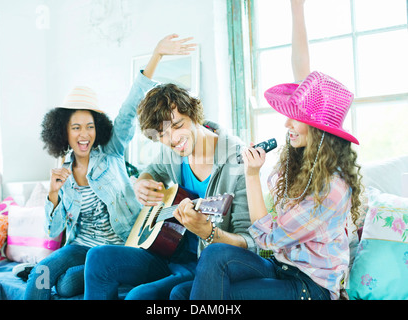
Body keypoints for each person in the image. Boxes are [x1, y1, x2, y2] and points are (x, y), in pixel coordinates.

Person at [188, 0, 363, 300]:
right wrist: (297, 11)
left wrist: (252, 176)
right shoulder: (300, 164)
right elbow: (301, 67)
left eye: (297, 118)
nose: (286, 124)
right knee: (209, 263)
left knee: (219, 293)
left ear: (319, 129)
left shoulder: (333, 189)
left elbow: (268, 237)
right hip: (282, 268)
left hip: (312, 287)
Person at [23, 34, 194, 300]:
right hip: (81, 246)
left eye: (89, 126)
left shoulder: (111, 152)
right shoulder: (63, 173)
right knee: (41, 274)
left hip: (119, 245)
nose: (84, 134)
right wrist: (53, 194)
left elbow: (128, 108)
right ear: (63, 131)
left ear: (98, 128)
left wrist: (156, 56)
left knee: (67, 285)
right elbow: (52, 231)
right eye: (76, 127)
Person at [83, 43, 257, 301]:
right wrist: (143, 182)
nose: (173, 139)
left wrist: (207, 231)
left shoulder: (238, 162)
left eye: (177, 125)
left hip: (202, 262)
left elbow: (248, 241)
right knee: (97, 257)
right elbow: (151, 171)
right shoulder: (172, 150)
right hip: (165, 249)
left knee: (139, 297)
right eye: (162, 134)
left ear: (194, 114)